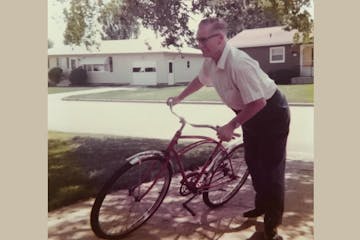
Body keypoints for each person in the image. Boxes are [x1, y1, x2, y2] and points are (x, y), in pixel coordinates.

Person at [167, 18, 290, 240]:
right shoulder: (211, 60)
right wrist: (179, 97)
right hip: (249, 112)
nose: (199, 44)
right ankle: (261, 205)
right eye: (198, 39)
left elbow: (259, 103)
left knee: (271, 168)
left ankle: (272, 220)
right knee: (253, 161)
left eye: (203, 39)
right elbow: (200, 80)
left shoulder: (238, 63)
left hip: (272, 113)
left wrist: (231, 125)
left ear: (220, 39)